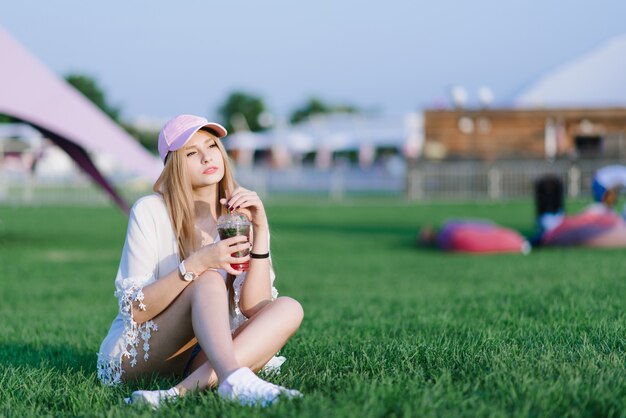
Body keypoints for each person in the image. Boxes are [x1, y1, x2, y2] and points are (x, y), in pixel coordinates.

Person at [97, 114, 304, 408]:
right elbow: (135, 310)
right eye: (192, 153)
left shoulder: (238, 216)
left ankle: (176, 394)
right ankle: (232, 375)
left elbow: (254, 307)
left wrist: (261, 229)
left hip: (203, 356)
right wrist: (196, 263)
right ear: (174, 164)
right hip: (142, 355)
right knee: (206, 278)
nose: (207, 157)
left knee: (289, 308)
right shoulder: (150, 211)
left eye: (212, 146)